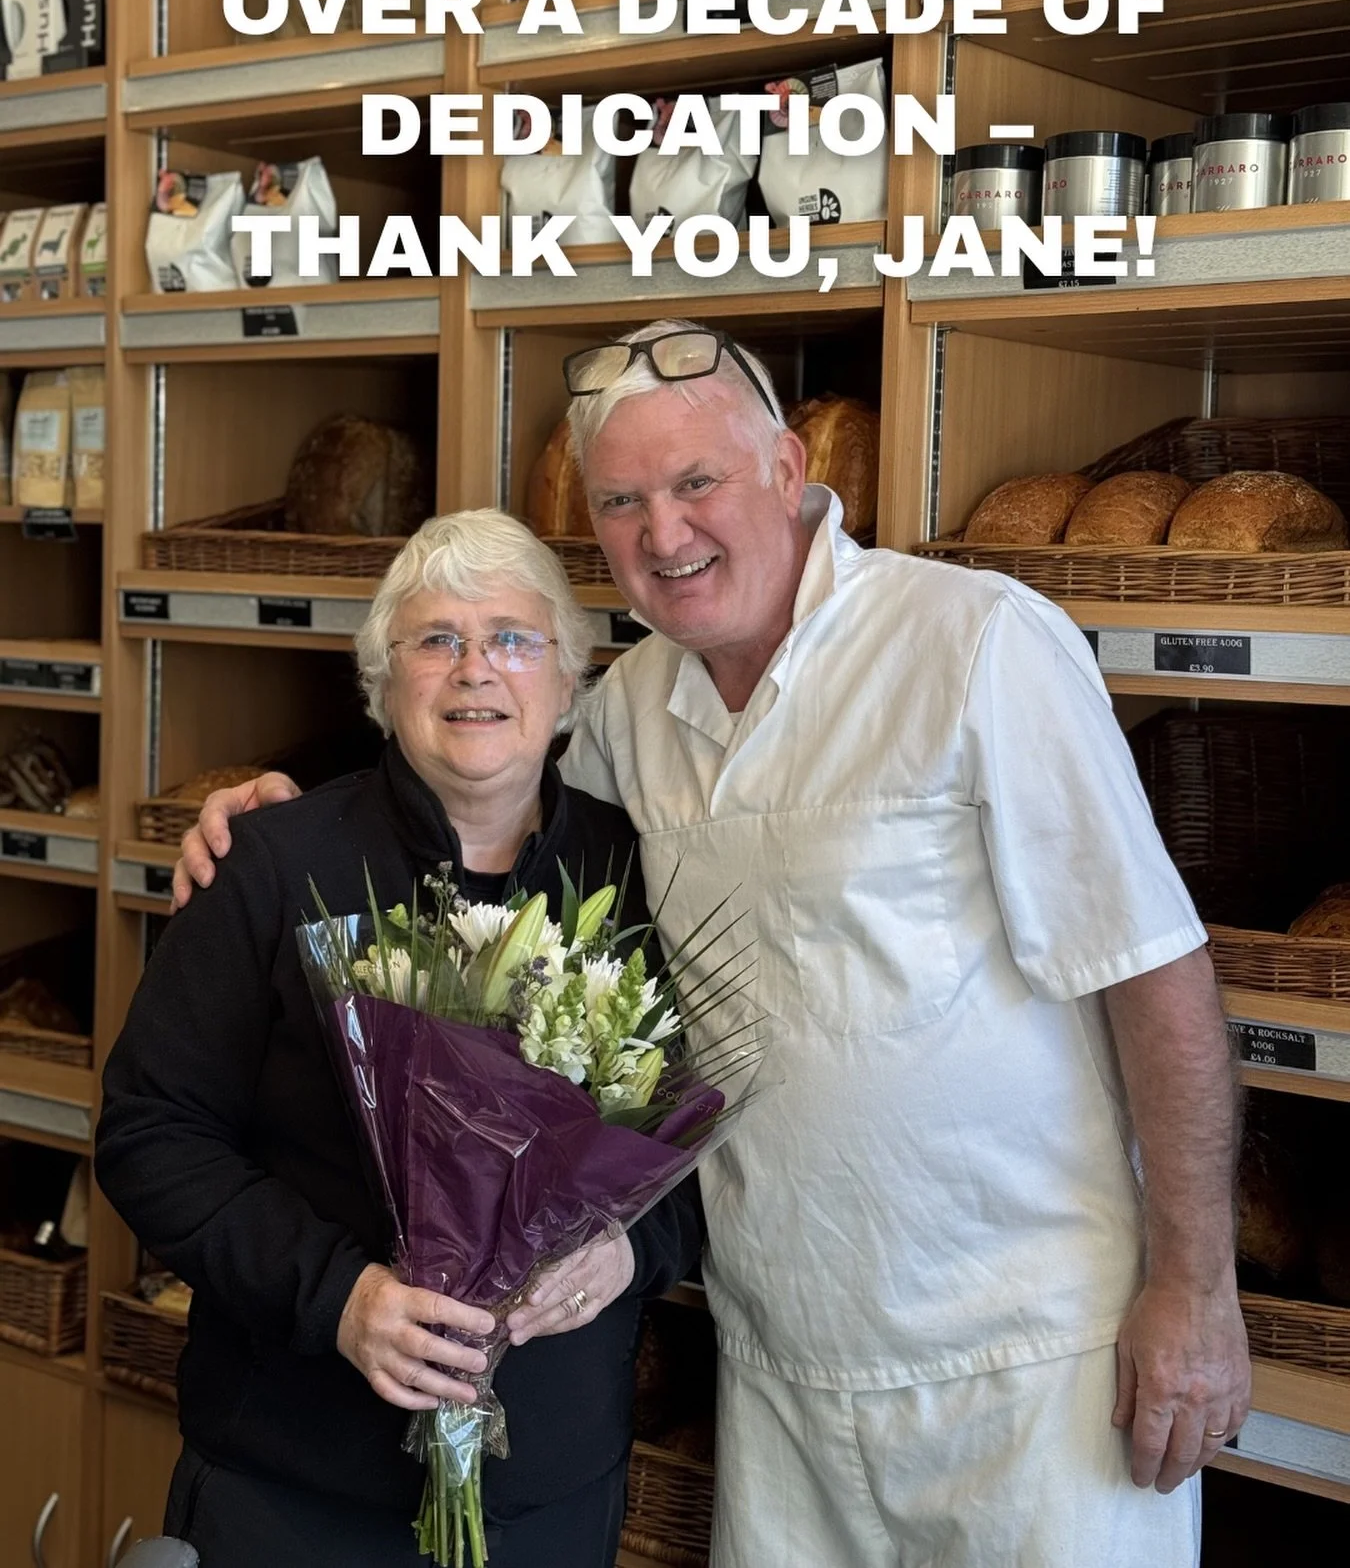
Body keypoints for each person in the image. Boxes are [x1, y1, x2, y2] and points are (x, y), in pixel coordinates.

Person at [176, 323, 1250, 1568]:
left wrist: (1194, 1287)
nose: (664, 532)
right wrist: (280, 812)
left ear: (790, 469)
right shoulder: (633, 711)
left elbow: (1156, 971)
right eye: (624, 502)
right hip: (781, 1371)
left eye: (697, 484)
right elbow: (469, 782)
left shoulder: (974, 646)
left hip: (1026, 1367)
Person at [97, 510, 702, 1568]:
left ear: (568, 682)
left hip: (554, 1495)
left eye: (513, 638)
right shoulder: (274, 866)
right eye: (437, 640)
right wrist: (340, 1298)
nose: (477, 669)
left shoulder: (641, 876)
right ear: (383, 686)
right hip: (298, 1489)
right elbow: (152, 1136)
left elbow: (698, 1155)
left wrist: (631, 1249)